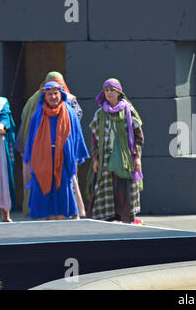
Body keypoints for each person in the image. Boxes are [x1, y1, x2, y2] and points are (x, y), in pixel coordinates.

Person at [15, 71, 85, 218]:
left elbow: (76, 135)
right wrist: (27, 153)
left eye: (56, 93)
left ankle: (64, 215)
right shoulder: (38, 112)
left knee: (63, 187)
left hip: (63, 157)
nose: (53, 96)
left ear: (61, 93)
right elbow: (29, 131)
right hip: (42, 157)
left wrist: (75, 155)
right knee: (42, 186)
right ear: (44, 95)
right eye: (49, 94)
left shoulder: (69, 112)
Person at [86, 78, 144, 224]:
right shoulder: (100, 114)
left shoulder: (129, 111)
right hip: (105, 161)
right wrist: (95, 159)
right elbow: (94, 138)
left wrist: (137, 158)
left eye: (112, 90)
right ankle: (109, 223)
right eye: (106, 90)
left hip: (126, 161)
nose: (109, 93)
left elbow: (138, 137)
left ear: (119, 92)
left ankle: (126, 220)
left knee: (124, 192)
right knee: (106, 191)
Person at [0, 96, 15, 222]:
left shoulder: (1, 102)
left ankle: (5, 214)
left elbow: (5, 118)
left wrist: (1, 124)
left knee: (2, 178)